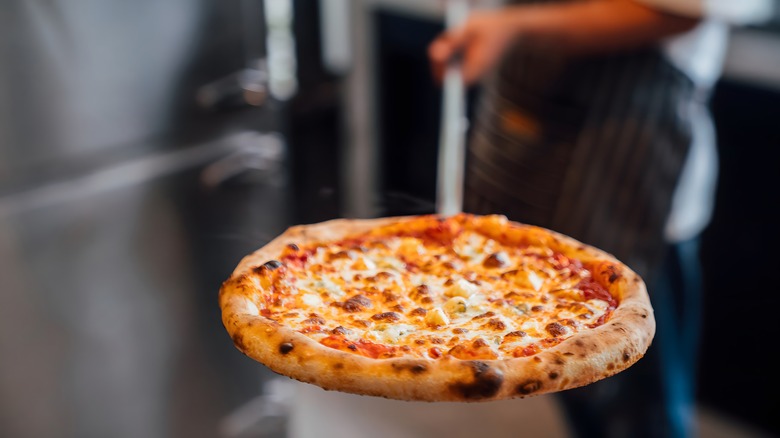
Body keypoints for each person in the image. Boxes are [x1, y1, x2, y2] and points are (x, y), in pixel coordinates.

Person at [428, 1, 773, 437]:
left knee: (634, 408)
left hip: (626, 171)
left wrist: (514, 27)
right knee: (566, 375)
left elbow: (686, 9)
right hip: (526, 134)